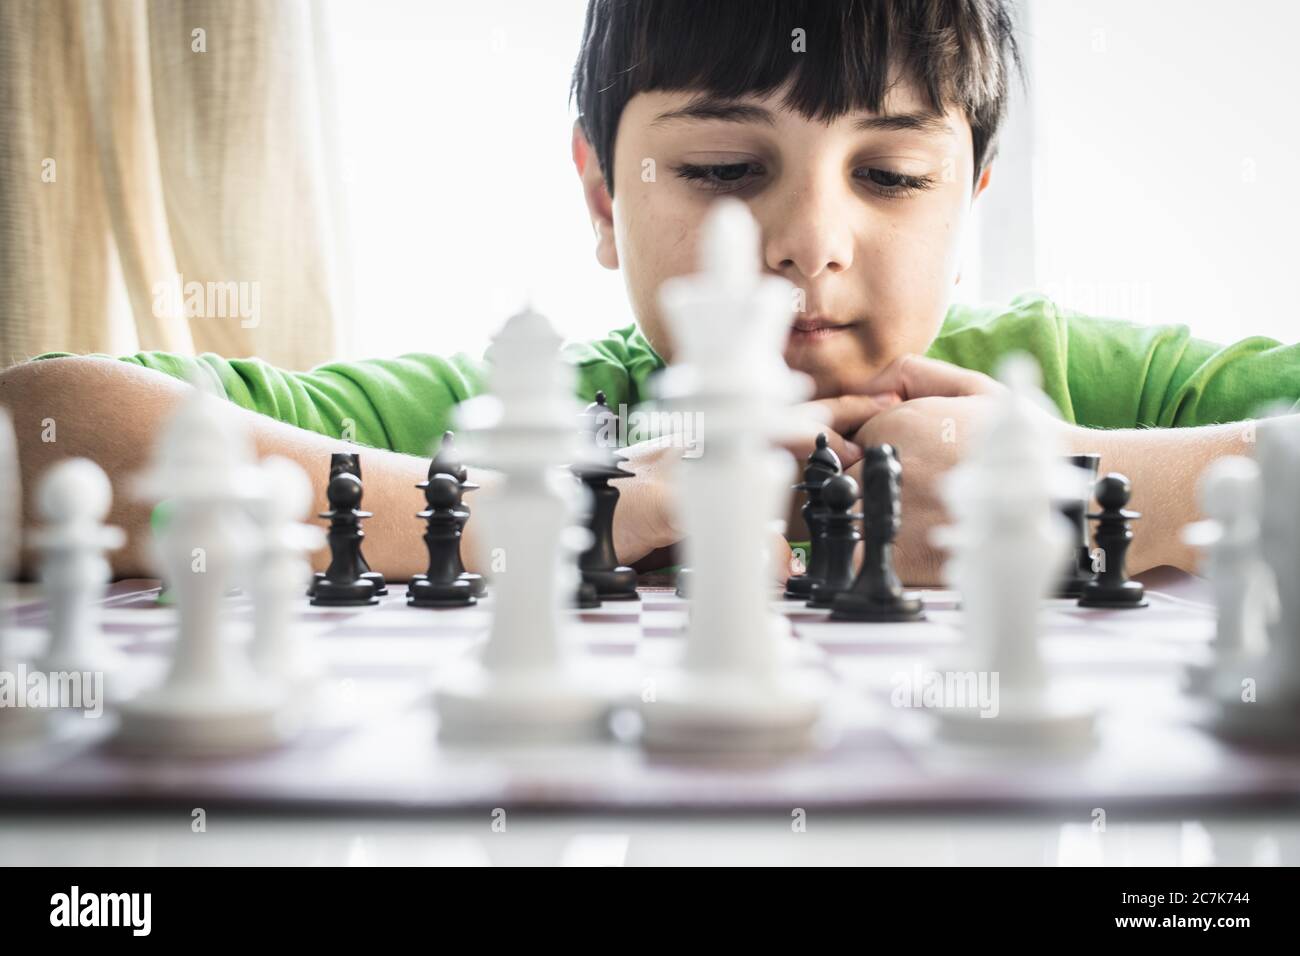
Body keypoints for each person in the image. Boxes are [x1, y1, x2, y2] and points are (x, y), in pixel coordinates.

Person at [4, 0, 1298, 584]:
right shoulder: (527, 413)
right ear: (600, 194)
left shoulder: (1093, 385)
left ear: (973, 193)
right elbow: (40, 426)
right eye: (727, 167)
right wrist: (569, 510)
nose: (804, 242)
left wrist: (1077, 479)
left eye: (894, 174)